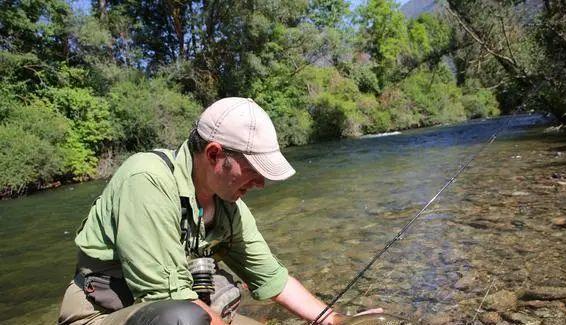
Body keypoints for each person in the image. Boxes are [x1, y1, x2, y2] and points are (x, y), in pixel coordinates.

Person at [58, 97, 377, 325]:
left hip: (182, 306)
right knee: (180, 319)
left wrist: (334, 319)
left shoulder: (229, 204)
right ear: (214, 154)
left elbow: (273, 279)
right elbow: (168, 301)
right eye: (254, 169)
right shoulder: (147, 180)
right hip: (102, 314)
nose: (262, 183)